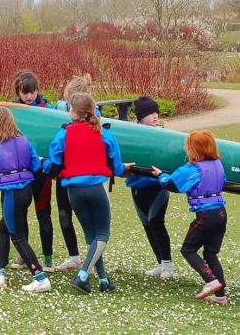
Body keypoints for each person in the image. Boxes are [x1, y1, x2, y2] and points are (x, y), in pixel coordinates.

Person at [43, 92, 135, 294]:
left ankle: (103, 280)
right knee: (102, 234)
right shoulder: (104, 133)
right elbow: (118, 168)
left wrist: (43, 163)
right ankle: (83, 275)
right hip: (96, 188)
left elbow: (54, 166)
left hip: (73, 191)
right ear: (93, 110)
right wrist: (125, 168)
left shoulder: (63, 134)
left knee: (91, 236)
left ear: (72, 111)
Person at [0, 106, 51, 292]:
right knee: (3, 230)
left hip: (10, 193)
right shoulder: (25, 141)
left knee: (17, 236)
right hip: (26, 191)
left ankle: (39, 276)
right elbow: (35, 164)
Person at [152, 130, 228, 305]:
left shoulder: (193, 169)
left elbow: (171, 184)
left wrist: (160, 175)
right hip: (221, 214)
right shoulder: (218, 164)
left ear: (193, 149)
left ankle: (211, 281)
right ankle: (220, 296)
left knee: (188, 249)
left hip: (206, 216)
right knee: (211, 254)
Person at [51, 74, 101, 271]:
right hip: (64, 175)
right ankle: (74, 257)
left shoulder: (95, 119)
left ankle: (95, 260)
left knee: (91, 221)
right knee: (64, 215)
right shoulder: (59, 113)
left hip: (85, 177)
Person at [11, 70, 54, 271]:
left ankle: (48, 258)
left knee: (43, 213)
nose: (29, 96)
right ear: (18, 92)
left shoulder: (48, 109)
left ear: (37, 90)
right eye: (25, 92)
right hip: (21, 171)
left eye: (32, 92)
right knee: (21, 213)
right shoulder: (11, 110)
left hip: (43, 172)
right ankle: (23, 254)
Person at [126, 96, 173, 278]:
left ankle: (168, 265)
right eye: (150, 113)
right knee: (147, 225)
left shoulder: (162, 136)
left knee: (156, 222)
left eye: (156, 113)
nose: (155, 116)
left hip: (157, 187)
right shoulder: (132, 134)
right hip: (137, 188)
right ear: (140, 117)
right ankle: (160, 263)